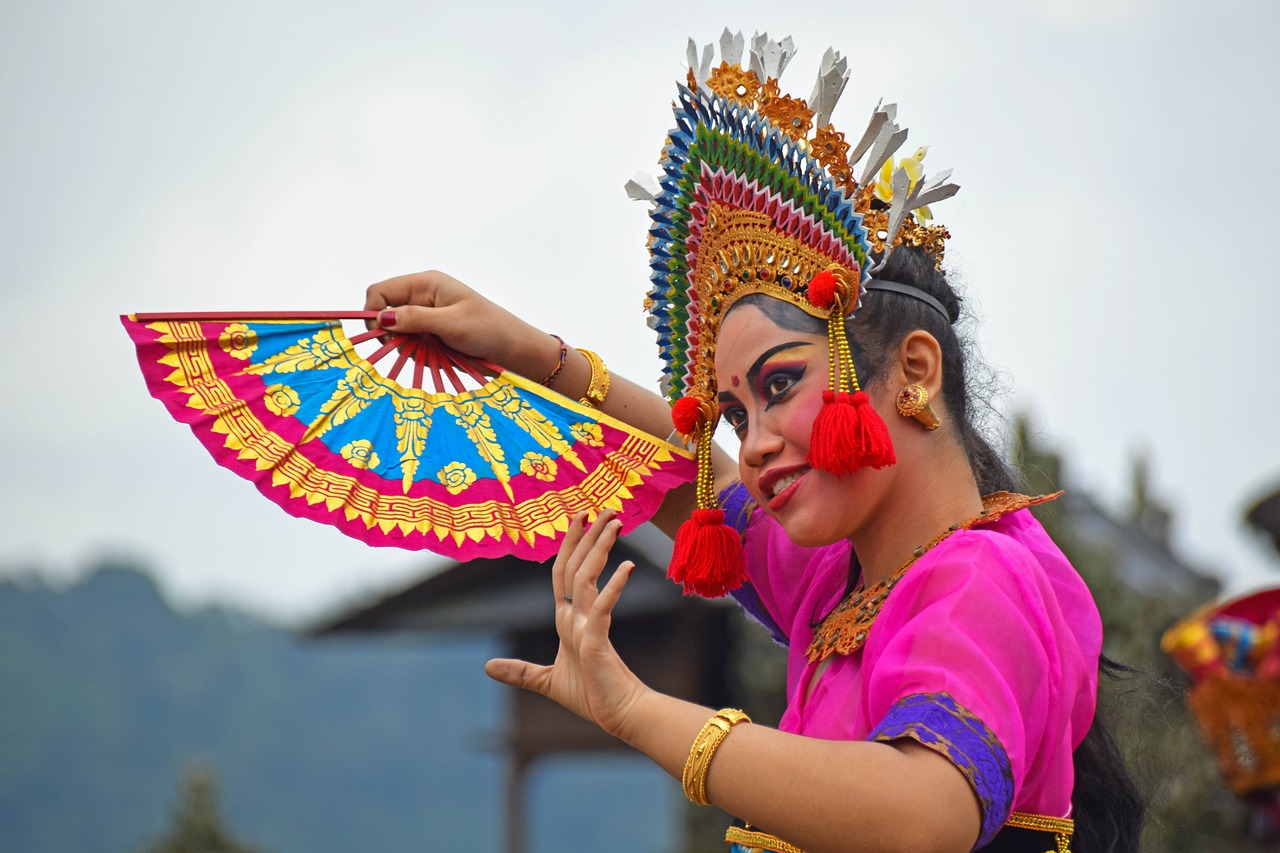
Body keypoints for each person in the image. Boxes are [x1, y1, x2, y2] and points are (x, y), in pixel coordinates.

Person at [362, 36, 1144, 853]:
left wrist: (639, 711)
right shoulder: (839, 589)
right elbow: (673, 467)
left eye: (778, 388)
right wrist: (526, 354)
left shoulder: (978, 577)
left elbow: (924, 813)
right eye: (734, 416)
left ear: (912, 370)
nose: (756, 444)